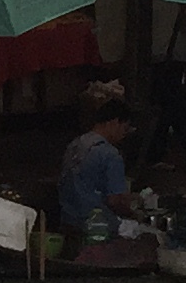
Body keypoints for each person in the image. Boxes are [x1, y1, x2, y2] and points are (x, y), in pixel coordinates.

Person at [56, 79, 140, 239]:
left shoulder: (75, 144)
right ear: (114, 122)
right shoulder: (110, 154)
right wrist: (134, 213)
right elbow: (115, 201)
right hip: (97, 226)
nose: (124, 134)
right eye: (124, 128)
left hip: (68, 220)